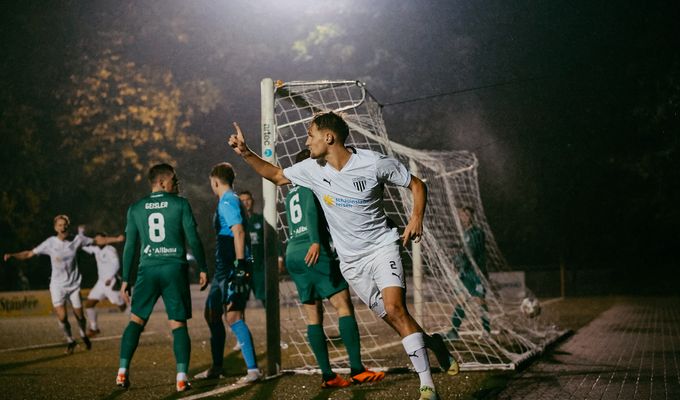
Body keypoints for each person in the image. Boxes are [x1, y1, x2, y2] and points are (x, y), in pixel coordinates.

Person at [228, 111, 458, 400]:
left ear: (329, 137)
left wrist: (416, 217)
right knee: (395, 318)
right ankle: (433, 344)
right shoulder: (311, 169)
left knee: (396, 308)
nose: (306, 141)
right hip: (351, 262)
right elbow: (274, 174)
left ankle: (427, 387)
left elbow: (417, 184)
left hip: (382, 247)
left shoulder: (373, 163)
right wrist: (246, 153)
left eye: (310, 135)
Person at [285, 149, 385, 388]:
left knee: (313, 315)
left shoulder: (290, 194)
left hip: (293, 253)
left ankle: (328, 375)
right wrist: (317, 241)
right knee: (343, 305)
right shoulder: (311, 183)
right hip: (313, 249)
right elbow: (310, 210)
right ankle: (357, 369)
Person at [115, 163, 208, 392]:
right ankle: (181, 377)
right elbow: (193, 239)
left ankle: (122, 371)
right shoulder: (180, 204)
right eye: (174, 180)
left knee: (136, 320)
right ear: (163, 182)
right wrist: (204, 267)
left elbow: (130, 247)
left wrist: (126, 278)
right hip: (174, 268)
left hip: (147, 269)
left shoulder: (135, 208)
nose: (177, 184)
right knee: (177, 322)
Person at [3, 216, 123, 354]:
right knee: (62, 317)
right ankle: (70, 340)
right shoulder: (50, 243)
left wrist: (116, 239)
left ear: (68, 226)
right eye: (60, 225)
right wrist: (13, 255)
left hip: (74, 285)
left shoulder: (77, 239)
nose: (63, 227)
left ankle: (83, 334)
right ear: (55, 228)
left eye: (65, 225)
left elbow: (98, 241)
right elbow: (29, 254)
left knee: (80, 316)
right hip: (57, 286)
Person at [194, 162, 261, 384]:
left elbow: (238, 231)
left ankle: (252, 370)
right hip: (226, 267)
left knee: (233, 316)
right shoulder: (230, 200)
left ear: (215, 181)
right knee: (212, 313)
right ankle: (217, 366)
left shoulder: (228, 201)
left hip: (232, 266)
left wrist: (241, 264)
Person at [447, 206, 489, 341]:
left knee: (480, 301)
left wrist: (459, 260)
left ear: (472, 216)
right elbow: (465, 253)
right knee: (461, 300)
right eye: (462, 215)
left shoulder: (478, 233)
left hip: (477, 274)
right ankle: (453, 331)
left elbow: (471, 254)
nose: (464, 217)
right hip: (466, 272)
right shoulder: (465, 233)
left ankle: (487, 331)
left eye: (466, 215)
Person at [82, 231, 127, 337]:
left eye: (100, 239)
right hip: (101, 283)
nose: (98, 241)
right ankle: (94, 328)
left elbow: (116, 265)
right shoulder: (96, 249)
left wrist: (110, 277)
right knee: (89, 304)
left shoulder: (110, 250)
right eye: (96, 239)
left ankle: (138, 323)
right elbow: (82, 245)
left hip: (111, 282)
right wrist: (81, 233)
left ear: (106, 239)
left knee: (122, 307)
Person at [238, 190, 265, 305]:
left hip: (259, 265)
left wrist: (279, 256)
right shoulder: (236, 222)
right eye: (242, 201)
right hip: (243, 264)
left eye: (248, 200)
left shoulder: (260, 219)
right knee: (239, 301)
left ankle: (271, 322)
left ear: (252, 201)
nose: (246, 203)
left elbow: (270, 239)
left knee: (266, 298)